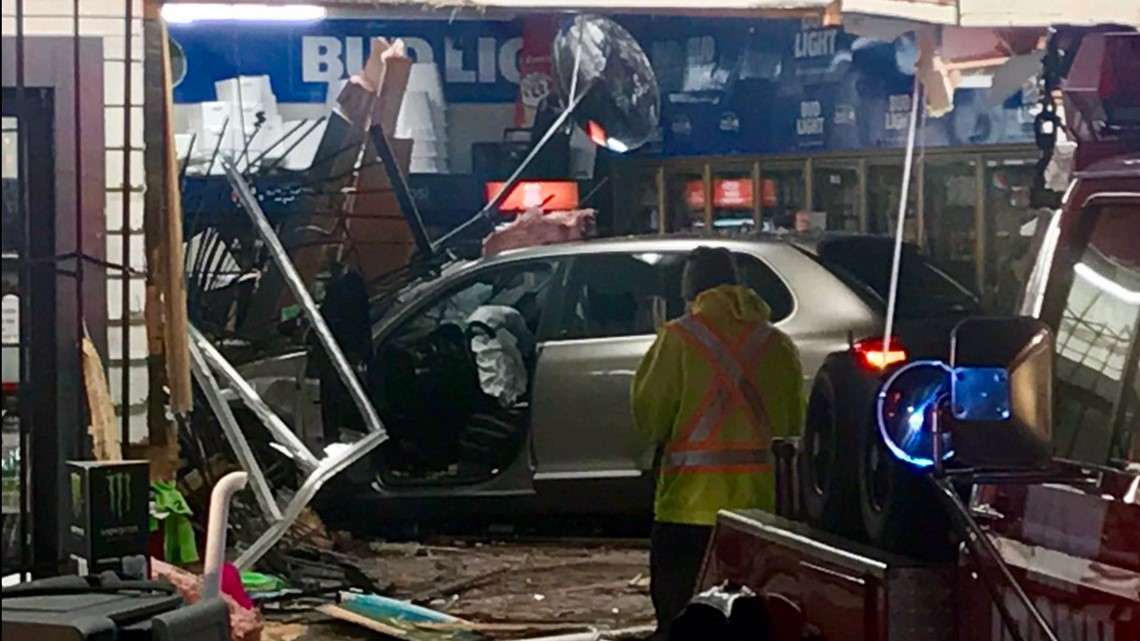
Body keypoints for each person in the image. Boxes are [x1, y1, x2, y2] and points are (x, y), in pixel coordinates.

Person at [631, 246, 805, 640]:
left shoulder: (677, 339)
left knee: (681, 618)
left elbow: (650, 417)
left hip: (688, 508)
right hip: (762, 510)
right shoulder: (777, 344)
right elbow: (795, 423)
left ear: (691, 288)